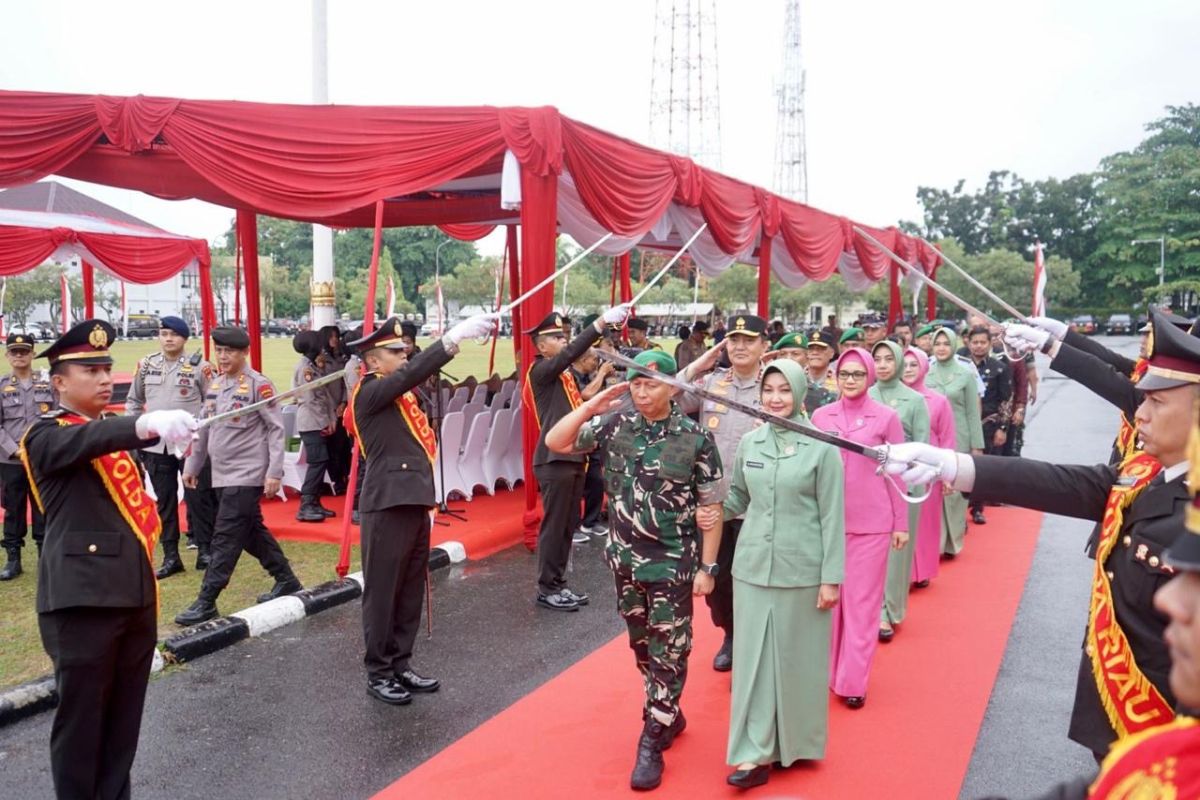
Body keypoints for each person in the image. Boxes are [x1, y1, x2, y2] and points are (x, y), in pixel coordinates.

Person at [887, 308, 1197, 760]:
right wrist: (949, 464)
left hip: (1167, 735)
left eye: (1156, 402)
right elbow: (1057, 482)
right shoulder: (1147, 474)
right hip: (1119, 719)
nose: (1139, 412)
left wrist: (1055, 344)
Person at [21, 319, 197, 800]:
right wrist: (144, 424)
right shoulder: (46, 436)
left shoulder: (109, 435)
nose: (104, 378)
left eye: (107, 368)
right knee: (82, 732)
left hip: (133, 595)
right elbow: (79, 444)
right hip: (82, 604)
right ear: (58, 381)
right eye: (90, 369)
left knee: (122, 730)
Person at [545, 350, 725, 791]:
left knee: (670, 648)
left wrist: (709, 566)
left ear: (673, 387)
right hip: (624, 561)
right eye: (637, 383)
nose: (643, 392)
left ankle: (651, 734)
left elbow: (712, 506)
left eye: (652, 383)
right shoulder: (614, 427)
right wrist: (590, 406)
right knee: (641, 646)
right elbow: (556, 441)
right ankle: (669, 711)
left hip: (672, 563)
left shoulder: (696, 439)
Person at [348, 313, 494, 705]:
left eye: (405, 348)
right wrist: (451, 341)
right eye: (395, 351)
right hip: (387, 502)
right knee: (383, 591)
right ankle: (378, 671)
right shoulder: (370, 390)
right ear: (374, 361)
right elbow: (408, 377)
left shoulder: (400, 395)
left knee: (411, 587)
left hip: (414, 499)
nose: (405, 354)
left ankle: (400, 661)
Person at [721, 359, 845, 788]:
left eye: (784, 390)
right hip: (752, 569)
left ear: (800, 393)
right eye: (768, 390)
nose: (775, 399)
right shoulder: (750, 444)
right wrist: (703, 512)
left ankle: (796, 743)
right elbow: (735, 499)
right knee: (752, 663)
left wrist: (832, 578)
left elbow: (832, 516)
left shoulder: (824, 447)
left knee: (797, 662)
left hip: (804, 571)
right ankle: (754, 755)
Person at [175, 327, 303, 625]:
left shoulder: (260, 386)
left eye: (228, 351)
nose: (222, 356)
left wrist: (274, 472)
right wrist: (192, 466)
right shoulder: (215, 385)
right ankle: (286, 579)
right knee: (249, 531)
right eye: (218, 350)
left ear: (244, 352)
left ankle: (207, 600)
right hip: (221, 473)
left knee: (226, 535)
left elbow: (275, 429)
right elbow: (203, 428)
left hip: (247, 473)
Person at [812, 347, 907, 709]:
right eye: (845, 373)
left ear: (870, 376)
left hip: (872, 526)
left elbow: (897, 473)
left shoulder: (886, 417)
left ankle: (853, 681)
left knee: (862, 606)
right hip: (826, 523)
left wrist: (900, 524)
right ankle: (828, 673)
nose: (850, 380)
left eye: (858, 374)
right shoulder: (821, 416)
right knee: (829, 603)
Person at [676, 314, 769, 672]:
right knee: (716, 581)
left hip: (759, 505)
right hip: (715, 505)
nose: (740, 347)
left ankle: (752, 643)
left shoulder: (775, 387)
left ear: (764, 345)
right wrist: (699, 363)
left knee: (756, 580)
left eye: (749, 340)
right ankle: (731, 632)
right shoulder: (712, 383)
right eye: (734, 340)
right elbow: (670, 394)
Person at [525, 306, 630, 611]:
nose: (562, 340)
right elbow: (569, 355)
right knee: (555, 526)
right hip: (554, 458)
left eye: (563, 335)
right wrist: (598, 325)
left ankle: (558, 583)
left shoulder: (563, 375)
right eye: (556, 337)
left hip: (571, 457)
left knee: (566, 525)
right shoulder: (542, 370)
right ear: (542, 346)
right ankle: (547, 587)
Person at [125, 317, 217, 578]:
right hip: (155, 445)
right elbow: (133, 401)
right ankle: (171, 556)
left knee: (199, 499)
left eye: (174, 335)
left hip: (190, 444)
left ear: (184, 339)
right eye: (164, 333)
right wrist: (137, 429)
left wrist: (199, 428)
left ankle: (205, 550)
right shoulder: (146, 365)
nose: (168, 339)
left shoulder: (200, 367)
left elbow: (212, 403)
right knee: (164, 502)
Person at [869, 340, 930, 642]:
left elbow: (922, 448)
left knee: (895, 554)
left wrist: (914, 486)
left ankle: (888, 610)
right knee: (867, 551)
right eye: (876, 359)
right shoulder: (863, 394)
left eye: (887, 359)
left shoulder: (914, 401)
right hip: (867, 486)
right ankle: (869, 608)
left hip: (902, 484)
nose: (881, 365)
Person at [925, 327, 984, 558]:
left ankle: (953, 541)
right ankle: (936, 543)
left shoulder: (966, 374)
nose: (941, 348)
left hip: (960, 437)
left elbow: (972, 412)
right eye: (937, 343)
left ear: (953, 345)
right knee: (934, 489)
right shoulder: (925, 373)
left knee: (955, 491)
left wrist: (977, 446)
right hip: (933, 438)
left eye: (946, 344)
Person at [0, 332, 55, 580]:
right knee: (13, 509)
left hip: (41, 458)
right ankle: (13, 559)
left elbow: (57, 418)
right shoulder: (2, 387)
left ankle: (46, 556)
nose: (19, 356)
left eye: (24, 351)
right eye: (14, 351)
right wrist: (14, 449)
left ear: (33, 354)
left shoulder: (48, 383)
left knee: (43, 507)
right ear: (7, 355)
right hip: (10, 460)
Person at [901, 347, 956, 587]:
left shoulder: (938, 401)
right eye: (904, 364)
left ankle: (921, 571)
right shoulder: (893, 397)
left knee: (925, 523)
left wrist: (946, 475)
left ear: (924, 367)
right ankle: (900, 573)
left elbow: (947, 438)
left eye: (914, 365)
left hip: (930, 469)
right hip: (899, 467)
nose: (908, 369)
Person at [965, 325, 1013, 525]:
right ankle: (959, 509)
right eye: (974, 342)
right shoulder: (961, 365)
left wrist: (1002, 428)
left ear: (990, 343)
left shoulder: (999, 367)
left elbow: (1005, 401)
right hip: (962, 423)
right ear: (968, 343)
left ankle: (977, 508)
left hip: (988, 423)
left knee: (981, 468)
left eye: (982, 342)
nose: (978, 346)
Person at [291, 330, 339, 523]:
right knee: (317, 462)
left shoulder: (312, 366)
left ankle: (315, 501)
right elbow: (311, 399)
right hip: (311, 421)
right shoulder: (306, 370)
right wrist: (325, 422)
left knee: (321, 461)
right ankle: (306, 504)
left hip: (316, 419)